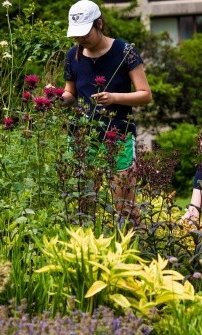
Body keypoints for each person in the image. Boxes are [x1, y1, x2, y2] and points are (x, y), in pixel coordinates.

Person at [61, 0, 152, 225]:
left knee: (125, 205)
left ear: (99, 24)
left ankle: (136, 251)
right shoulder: (73, 55)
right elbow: (70, 93)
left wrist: (114, 97)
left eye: (85, 34)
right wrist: (55, 99)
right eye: (76, 36)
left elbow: (145, 95)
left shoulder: (125, 52)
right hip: (84, 135)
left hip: (118, 134)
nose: (80, 40)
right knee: (85, 204)